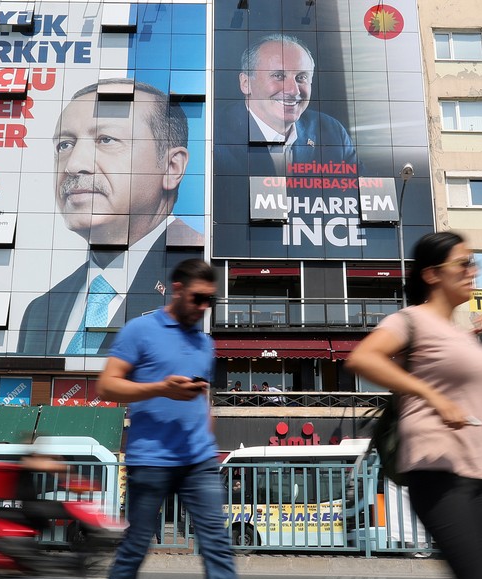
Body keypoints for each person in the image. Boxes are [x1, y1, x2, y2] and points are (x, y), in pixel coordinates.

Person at [346, 231, 482, 579]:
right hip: (437, 473)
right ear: (432, 274)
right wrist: (431, 395)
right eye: (463, 264)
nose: (472, 271)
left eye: (473, 263)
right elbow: (362, 358)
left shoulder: (466, 337)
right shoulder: (411, 320)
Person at [18, 79, 204, 356]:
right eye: (65, 145)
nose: (74, 165)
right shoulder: (40, 311)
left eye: (106, 140)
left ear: (171, 166)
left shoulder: (205, 279)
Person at [97, 258, 239, 579]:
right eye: (198, 298)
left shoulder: (206, 342)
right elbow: (106, 386)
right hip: (151, 460)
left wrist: (207, 429)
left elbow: (203, 397)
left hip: (198, 461)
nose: (205, 307)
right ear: (177, 290)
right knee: (135, 549)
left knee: (218, 546)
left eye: (211, 301)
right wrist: (160, 388)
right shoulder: (139, 330)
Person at [215, 34, 357, 177]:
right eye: (278, 76)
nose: (293, 90)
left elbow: (358, 193)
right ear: (246, 83)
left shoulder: (331, 131)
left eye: (301, 77)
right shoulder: (213, 135)